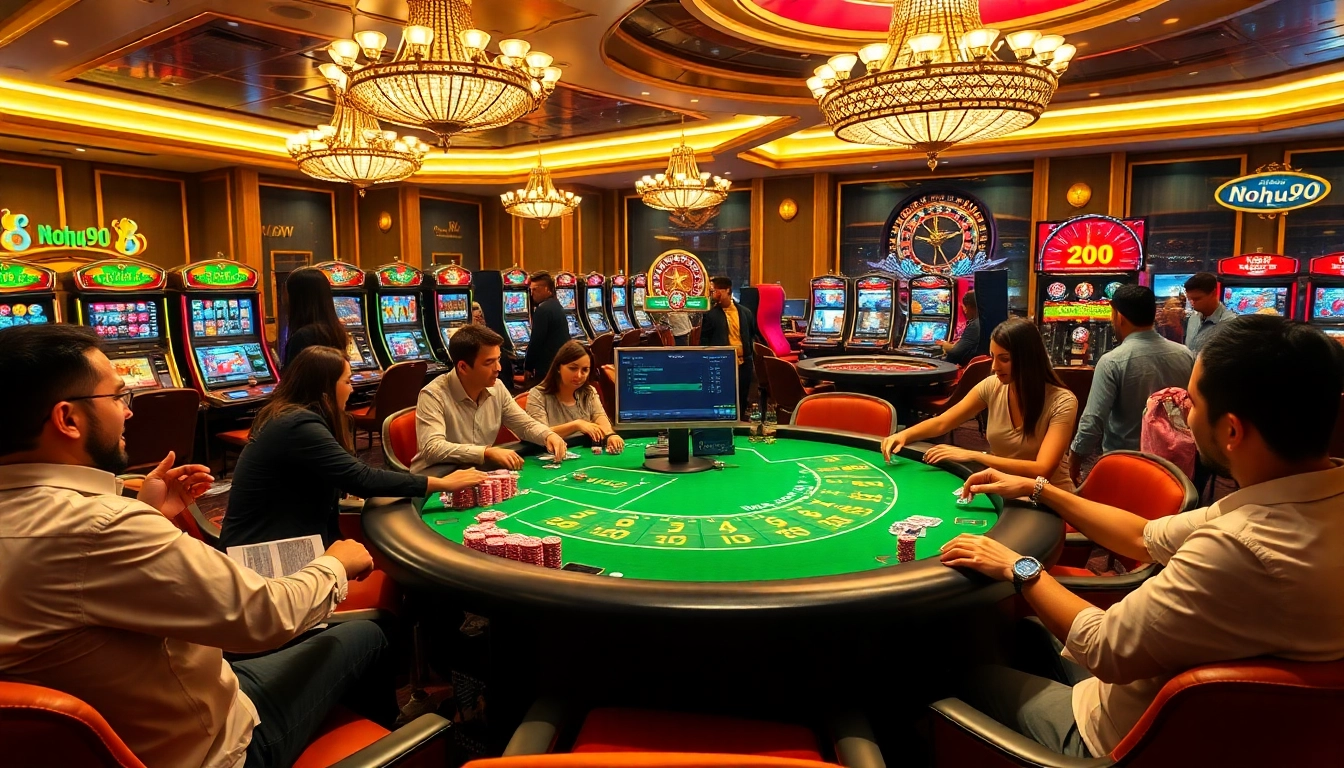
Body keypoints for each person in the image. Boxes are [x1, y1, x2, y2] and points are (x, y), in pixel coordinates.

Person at [938, 315, 1344, 758]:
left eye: (1192, 401)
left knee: (945, 666)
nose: (1184, 411)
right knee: (1016, 633)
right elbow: (1145, 536)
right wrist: (1042, 489)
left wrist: (1018, 566)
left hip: (1121, 735)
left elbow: (1102, 648)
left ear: (1231, 430)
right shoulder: (1288, 500)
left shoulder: (1236, 547)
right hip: (1235, 731)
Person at [0, 324, 390, 768]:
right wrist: (335, 564)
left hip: (120, 728)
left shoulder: (68, 519)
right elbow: (264, 617)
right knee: (368, 634)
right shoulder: (102, 527)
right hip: (211, 748)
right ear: (67, 419)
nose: (128, 413)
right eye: (117, 397)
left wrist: (150, 517)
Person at [222, 346, 486, 549]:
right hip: (266, 552)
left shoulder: (291, 416)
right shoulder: (297, 424)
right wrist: (441, 483)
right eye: (347, 381)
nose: (352, 388)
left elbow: (344, 476)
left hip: (286, 533)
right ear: (325, 386)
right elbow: (361, 478)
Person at [881, 318, 1078, 490]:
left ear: (1028, 359)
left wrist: (974, 455)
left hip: (1049, 498)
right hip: (1004, 489)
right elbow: (943, 422)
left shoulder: (1062, 402)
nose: (994, 367)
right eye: (993, 357)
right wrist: (903, 435)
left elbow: (1041, 469)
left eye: (1005, 359)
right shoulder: (992, 386)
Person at [1069, 285, 1194, 485]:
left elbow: (1093, 420)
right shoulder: (1185, 354)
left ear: (1119, 317)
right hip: (1176, 468)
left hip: (1126, 465)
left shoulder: (1112, 361)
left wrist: (1074, 459)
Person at [413, 324, 568, 473]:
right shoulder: (433, 395)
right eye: (489, 362)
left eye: (498, 359)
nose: (498, 368)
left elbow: (524, 425)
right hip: (436, 480)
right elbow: (432, 448)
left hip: (477, 473)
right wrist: (486, 452)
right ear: (463, 367)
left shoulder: (497, 388)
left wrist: (548, 435)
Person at [525, 340, 626, 454]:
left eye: (585, 370)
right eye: (573, 368)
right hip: (552, 456)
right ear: (558, 367)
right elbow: (539, 433)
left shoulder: (589, 392)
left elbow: (599, 417)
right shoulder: (537, 395)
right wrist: (576, 425)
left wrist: (610, 434)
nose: (579, 375)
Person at [701, 276, 756, 418]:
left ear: (727, 290)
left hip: (744, 362)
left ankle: (741, 424)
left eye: (716, 291)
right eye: (712, 291)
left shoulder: (745, 312)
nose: (713, 294)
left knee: (742, 397)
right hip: (721, 363)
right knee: (723, 399)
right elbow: (704, 342)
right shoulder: (710, 315)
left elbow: (751, 336)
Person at [282, 267, 350, 370]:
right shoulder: (335, 330)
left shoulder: (302, 337)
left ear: (298, 298)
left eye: (287, 294)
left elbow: (292, 382)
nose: (284, 300)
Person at [524, 271, 569, 382]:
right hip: (559, 363)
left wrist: (528, 367)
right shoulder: (556, 305)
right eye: (531, 290)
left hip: (547, 368)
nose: (531, 294)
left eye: (535, 289)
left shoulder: (542, 309)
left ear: (545, 289)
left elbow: (536, 341)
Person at [1182, 272, 1233, 354]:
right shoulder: (1193, 318)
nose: (1192, 303)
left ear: (1213, 293)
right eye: (1190, 299)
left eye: (1196, 299)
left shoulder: (1230, 324)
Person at [937, 290, 986, 365]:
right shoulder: (983, 321)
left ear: (969, 307)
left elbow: (956, 351)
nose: (964, 312)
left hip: (960, 367)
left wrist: (944, 345)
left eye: (964, 307)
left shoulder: (975, 325)